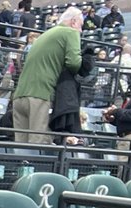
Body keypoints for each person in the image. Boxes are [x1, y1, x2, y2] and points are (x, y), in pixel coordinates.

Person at [11, 6, 84, 144]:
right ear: (74, 22)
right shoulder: (70, 32)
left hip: (19, 96)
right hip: (40, 95)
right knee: (38, 145)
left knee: (20, 148)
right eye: (81, 26)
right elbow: (74, 63)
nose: (80, 31)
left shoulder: (45, 34)